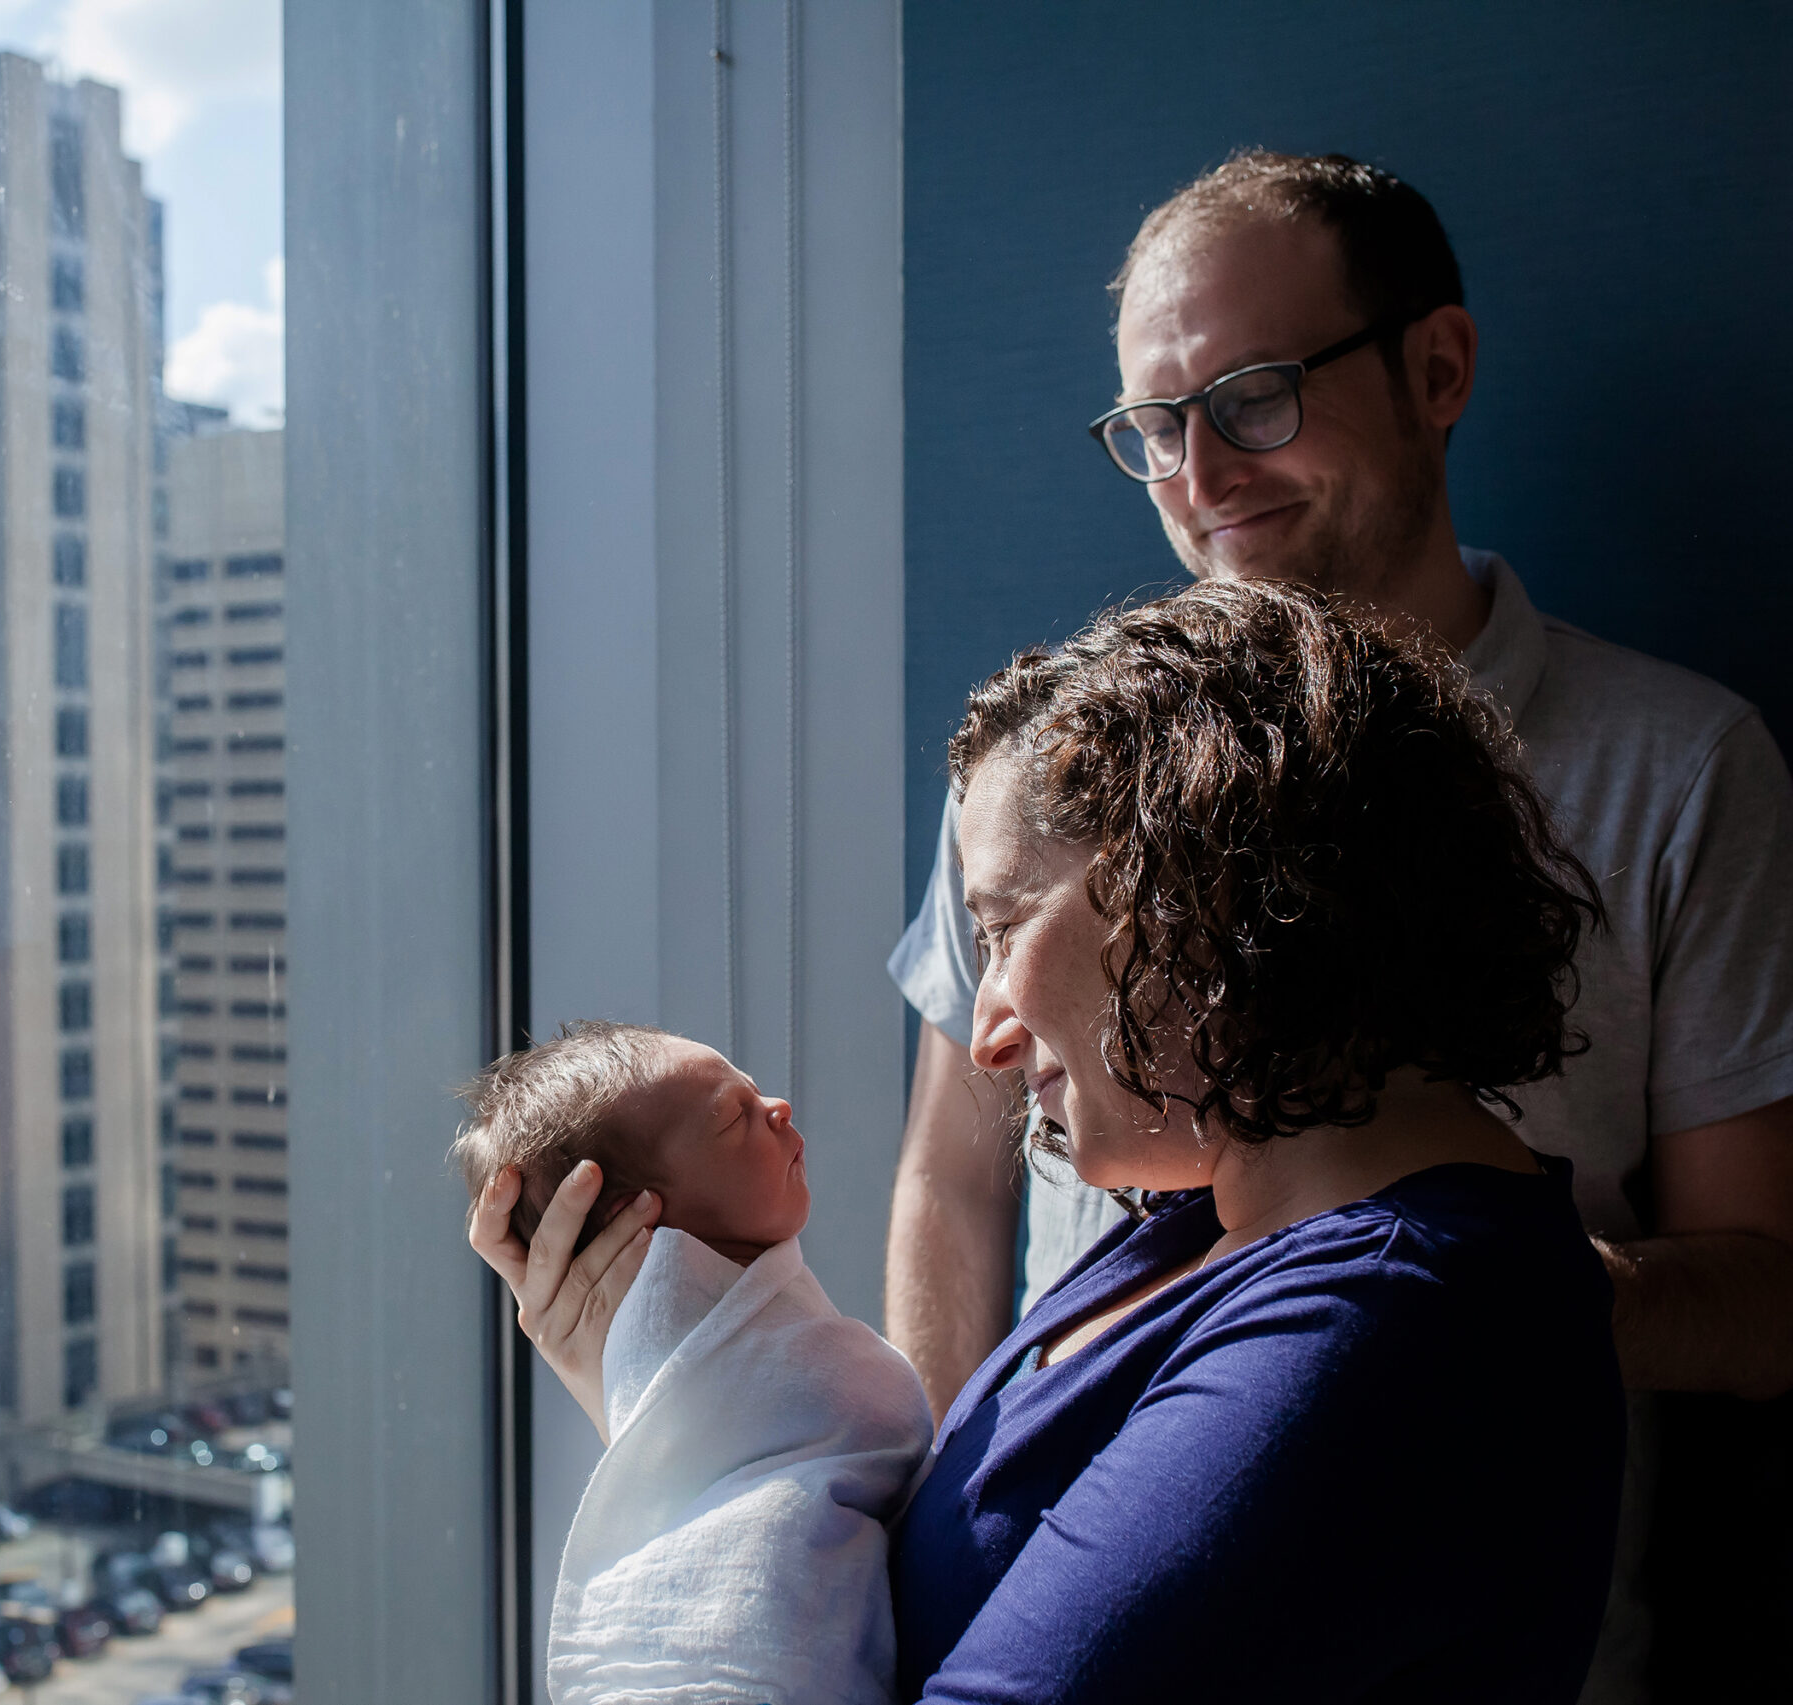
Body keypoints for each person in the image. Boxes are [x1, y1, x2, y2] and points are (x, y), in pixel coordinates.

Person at [883, 150, 1793, 1699]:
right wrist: (912, 1550)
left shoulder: (1680, 771)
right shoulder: (1058, 773)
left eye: (1252, 398)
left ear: (1437, 370)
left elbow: (1765, 1294)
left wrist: (1391, 1305)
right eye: (1154, 427)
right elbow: (953, 1185)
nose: (1200, 475)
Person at [886, 579, 1623, 1699]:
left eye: (1003, 927)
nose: (985, 1034)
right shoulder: (1218, 1214)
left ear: (1194, 880)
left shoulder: (1376, 1320)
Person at [460, 1023, 930, 1705]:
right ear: (637, 1217)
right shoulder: (692, 1338)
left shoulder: (714, 1336)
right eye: (735, 1116)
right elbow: (878, 1409)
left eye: (754, 1091)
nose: (778, 1106)